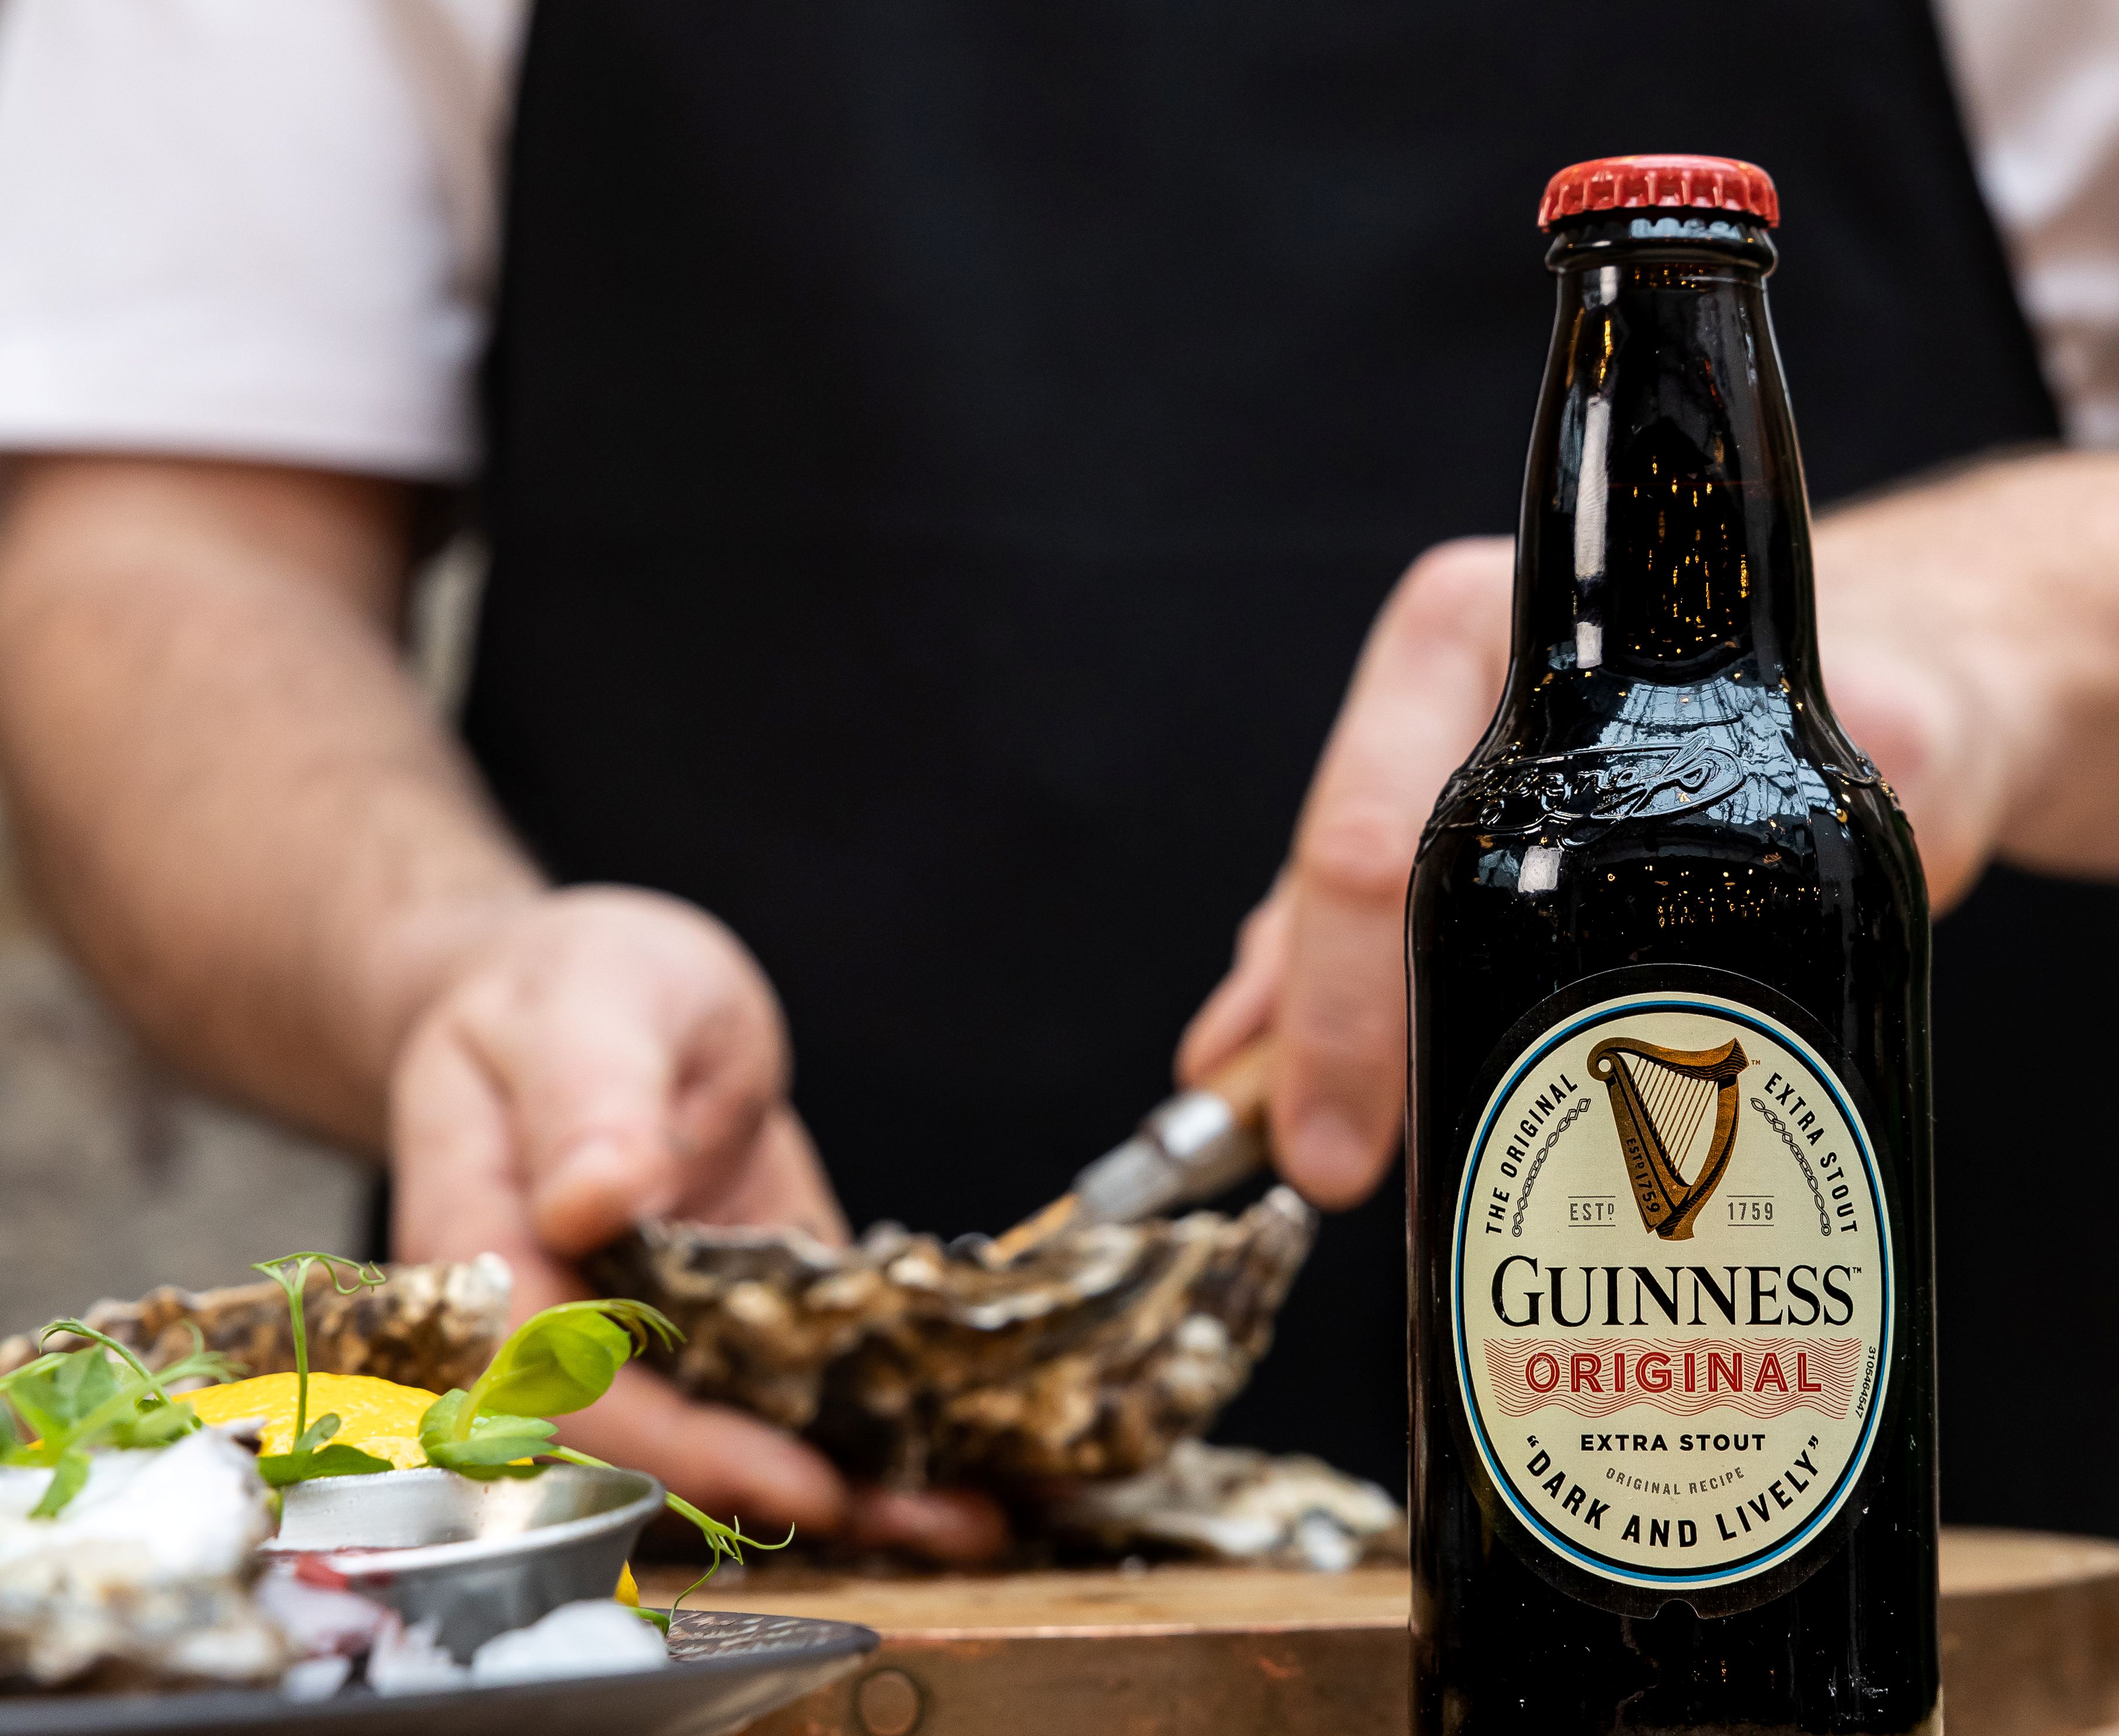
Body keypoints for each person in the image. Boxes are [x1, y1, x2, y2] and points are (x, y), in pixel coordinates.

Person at [1, 0, 2116, 1546]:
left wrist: (1985, 626)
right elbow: (152, 552)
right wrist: (443, 970)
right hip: (653, 1665)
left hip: (1902, 1662)